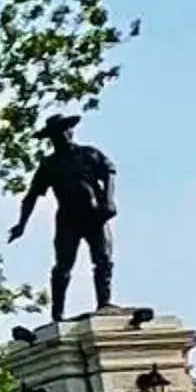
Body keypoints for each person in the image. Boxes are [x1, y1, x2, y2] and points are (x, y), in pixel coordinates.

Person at [11, 114, 116, 320]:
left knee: (103, 259)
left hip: (94, 215)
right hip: (68, 219)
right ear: (52, 138)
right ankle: (57, 313)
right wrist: (21, 223)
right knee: (63, 266)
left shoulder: (89, 154)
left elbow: (109, 172)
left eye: (67, 130)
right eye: (59, 132)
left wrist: (109, 200)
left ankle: (104, 303)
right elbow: (31, 196)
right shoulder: (50, 164)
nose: (65, 135)